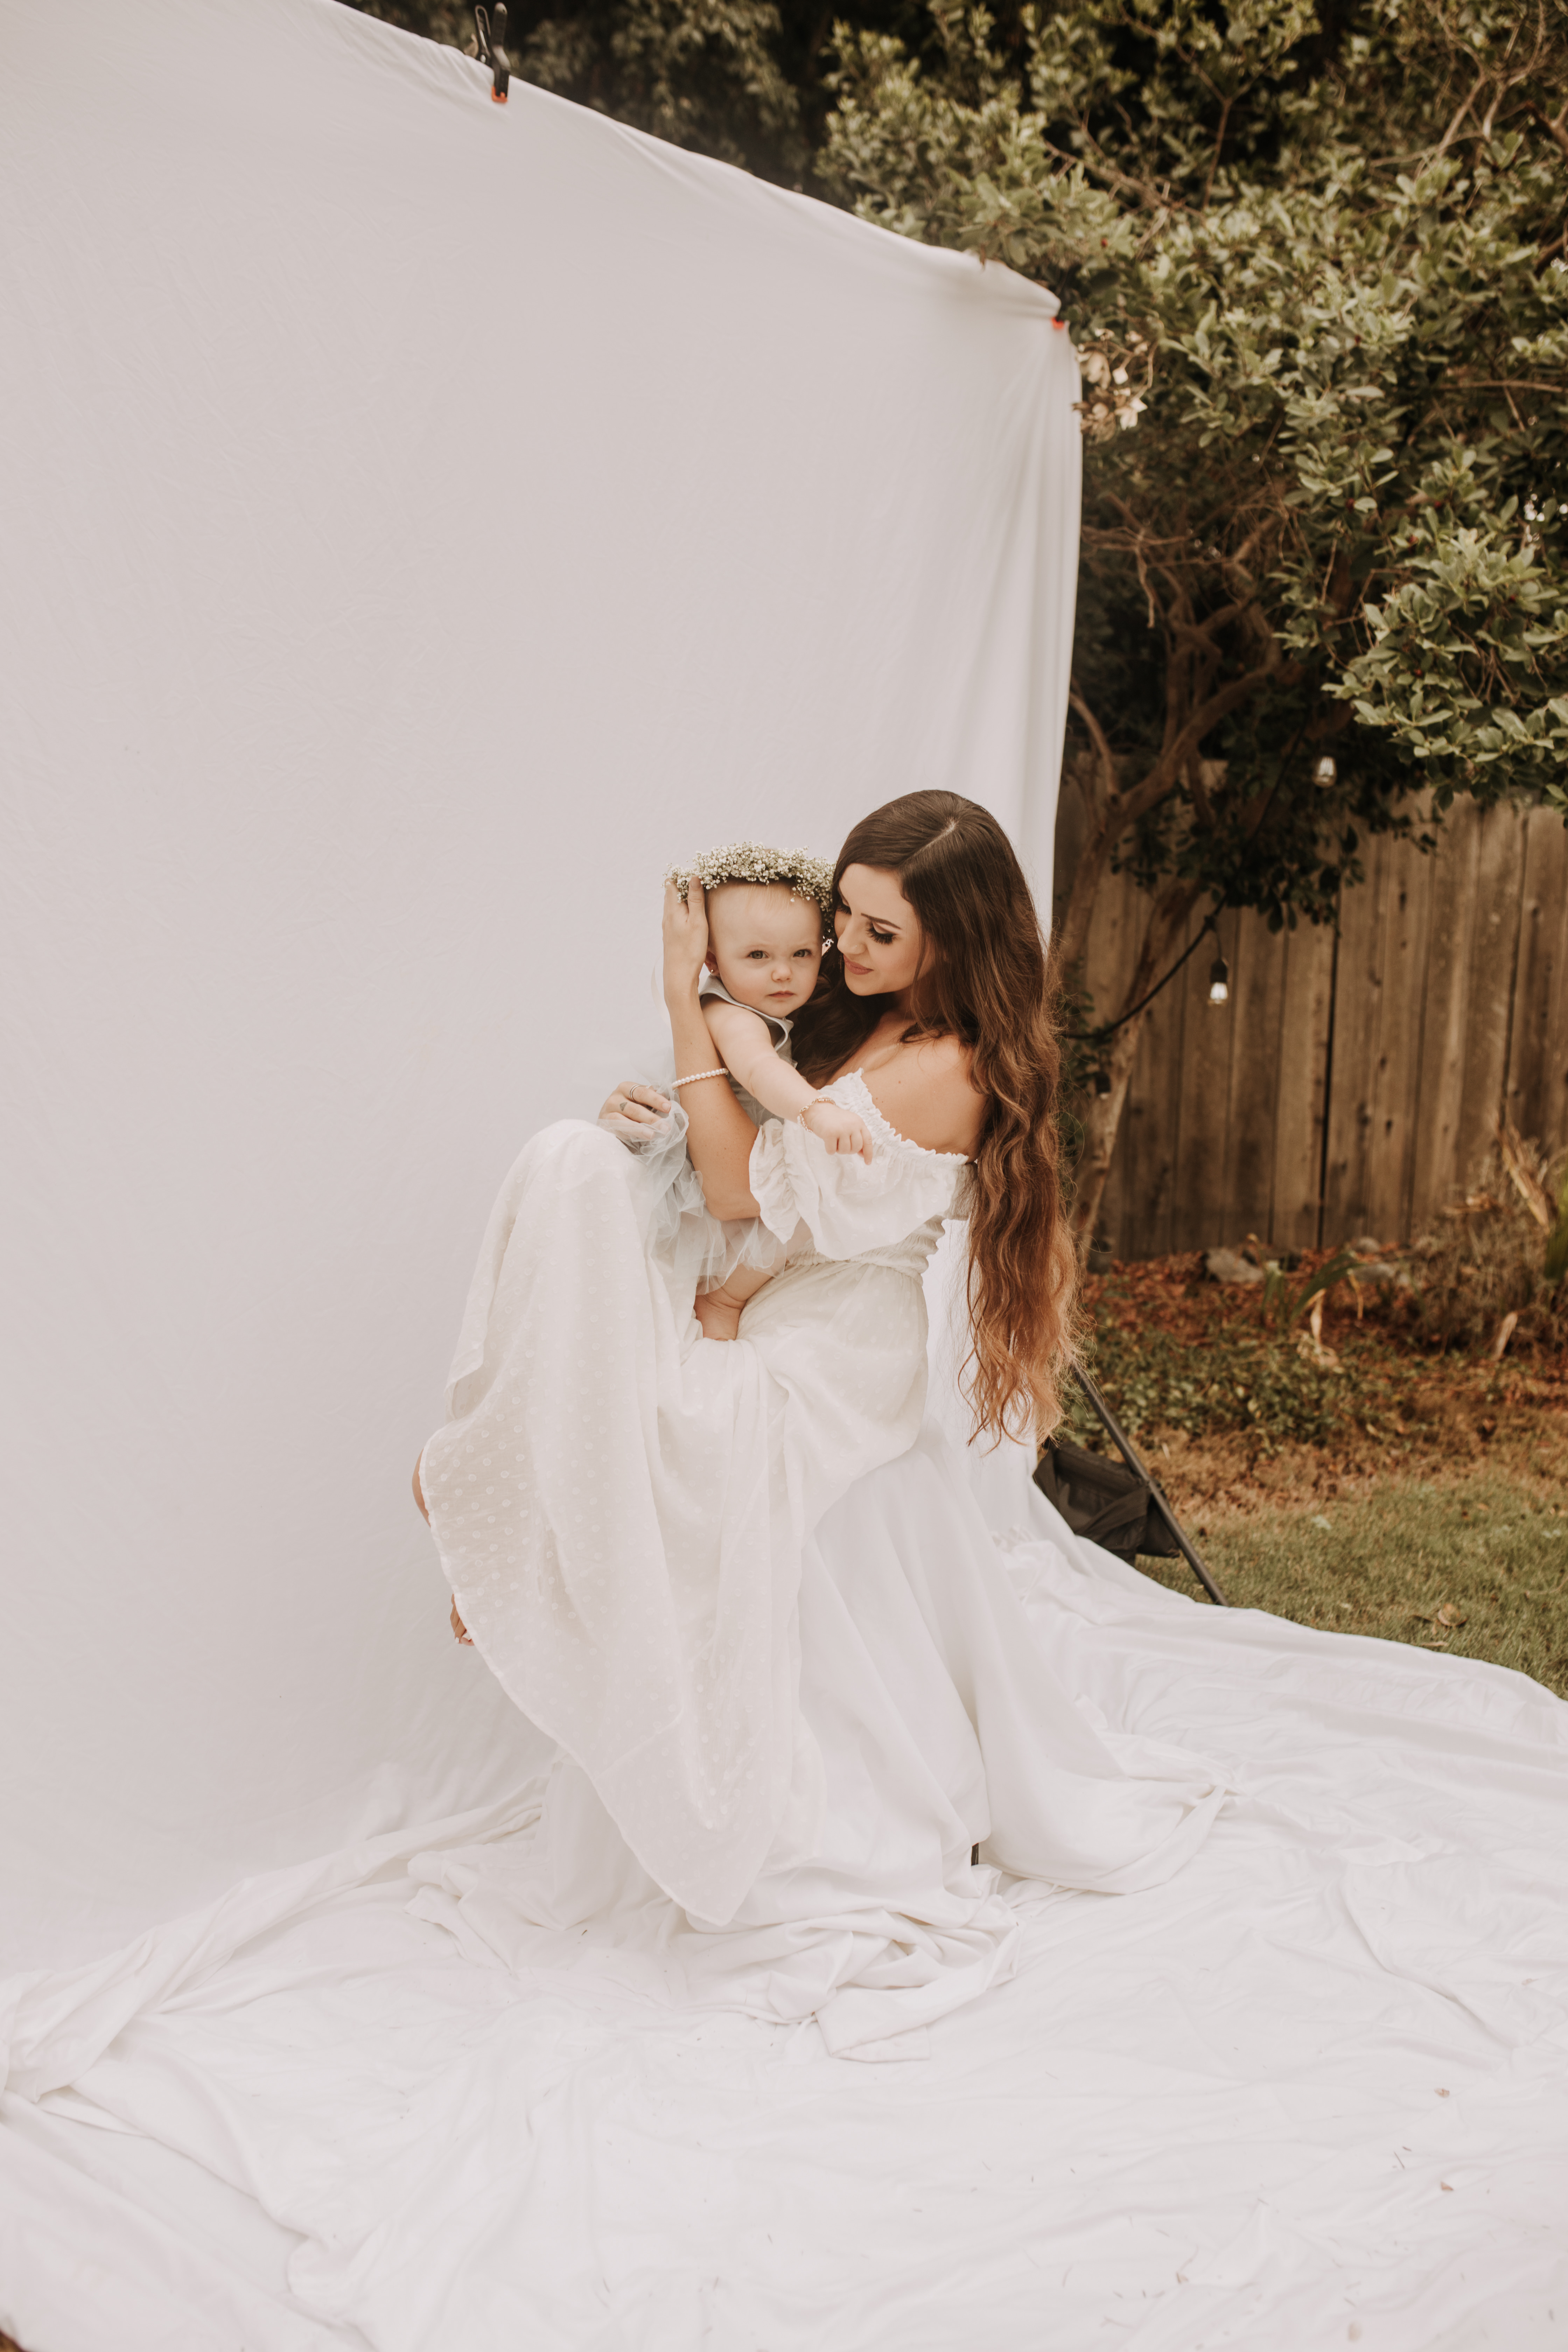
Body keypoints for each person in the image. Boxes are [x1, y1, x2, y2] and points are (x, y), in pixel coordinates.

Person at [413, 790, 1222, 2056]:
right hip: (781, 1297)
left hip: (840, 1340)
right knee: (574, 1165)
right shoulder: (872, 1022)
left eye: (876, 931)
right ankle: (510, 1481)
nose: (841, 947)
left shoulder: (946, 1067)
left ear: (952, 943)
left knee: (646, 1364)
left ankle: (506, 1502)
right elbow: (737, 1167)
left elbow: (749, 1189)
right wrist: (674, 1113)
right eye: (842, 912)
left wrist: (686, 995)